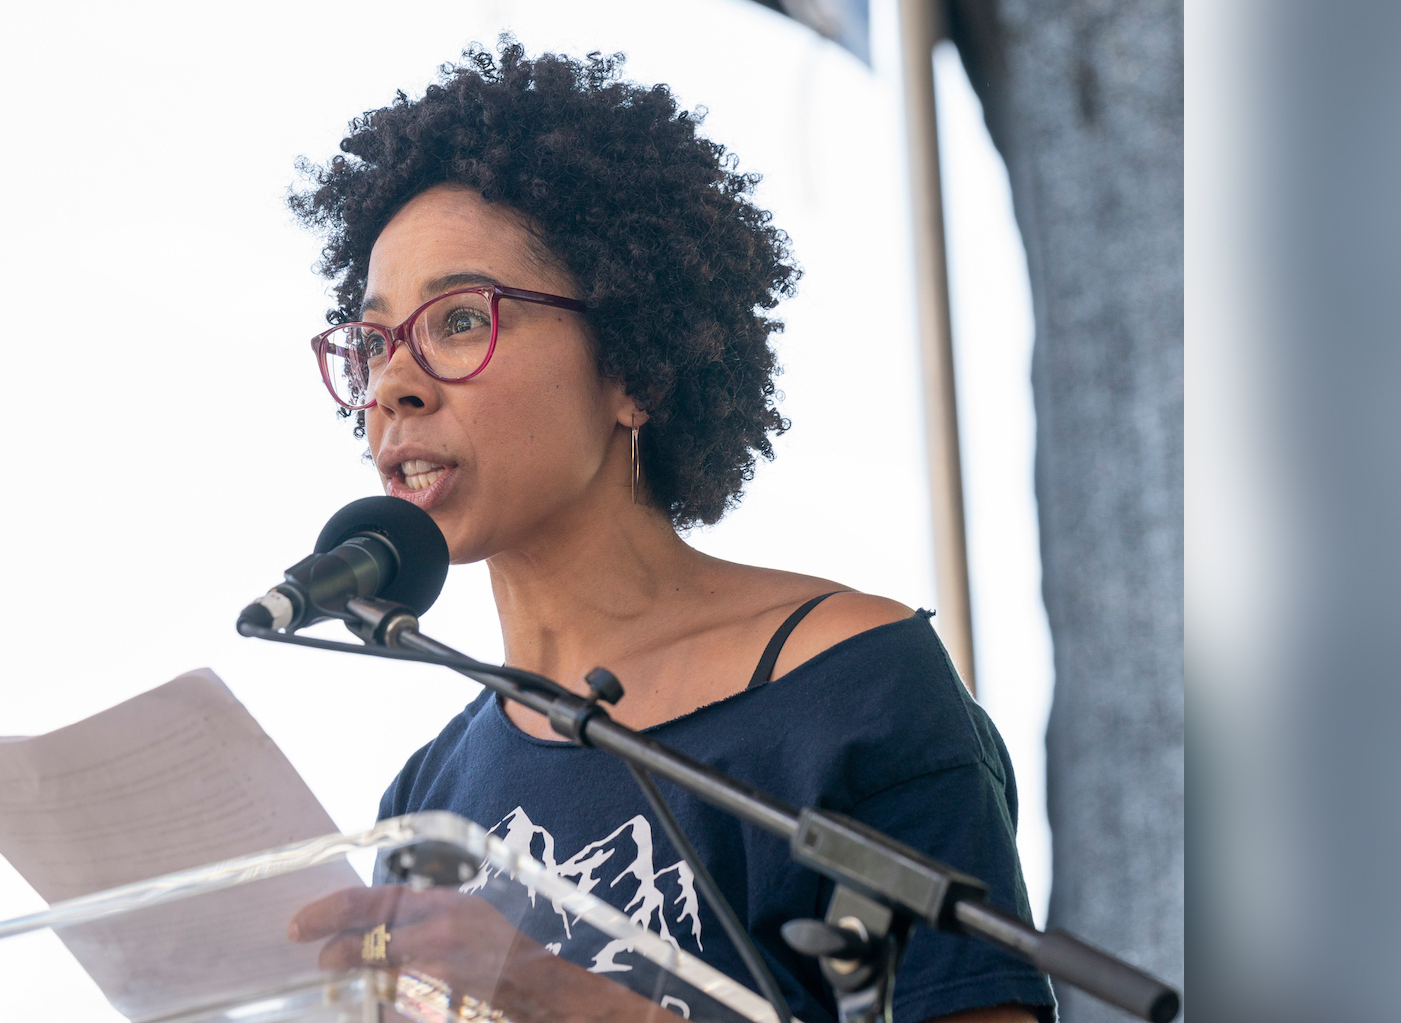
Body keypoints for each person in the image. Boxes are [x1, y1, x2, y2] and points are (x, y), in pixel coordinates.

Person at [284, 42, 1055, 1023]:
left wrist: (560, 998)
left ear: (635, 371)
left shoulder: (853, 690)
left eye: (460, 320)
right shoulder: (430, 793)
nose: (394, 382)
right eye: (372, 340)